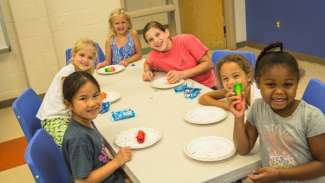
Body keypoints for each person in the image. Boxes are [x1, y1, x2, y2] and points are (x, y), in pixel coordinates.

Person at [227, 42, 325, 182]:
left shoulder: (311, 117)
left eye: (288, 84)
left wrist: (280, 174)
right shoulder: (258, 108)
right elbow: (243, 149)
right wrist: (239, 117)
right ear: (258, 83)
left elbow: (323, 165)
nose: (279, 92)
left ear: (297, 83)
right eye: (271, 84)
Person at [62, 71, 132, 183]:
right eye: (83, 98)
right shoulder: (78, 139)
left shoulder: (86, 121)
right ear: (69, 104)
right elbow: (82, 182)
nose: (92, 103)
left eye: (95, 95)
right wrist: (117, 161)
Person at [36, 38, 97, 147]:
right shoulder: (68, 73)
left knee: (91, 134)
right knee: (73, 144)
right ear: (73, 55)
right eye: (81, 55)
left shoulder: (80, 72)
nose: (85, 60)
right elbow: (71, 102)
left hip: (67, 115)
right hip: (54, 118)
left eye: (90, 57)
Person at [142, 21, 217, 89]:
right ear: (149, 45)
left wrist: (182, 74)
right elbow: (147, 63)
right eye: (151, 40)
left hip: (207, 86)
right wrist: (147, 71)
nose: (156, 40)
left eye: (158, 34)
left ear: (166, 33)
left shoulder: (186, 40)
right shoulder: (155, 55)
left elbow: (209, 64)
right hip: (184, 88)